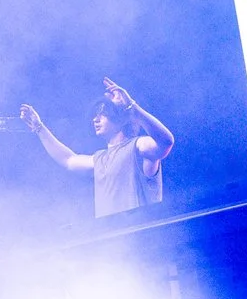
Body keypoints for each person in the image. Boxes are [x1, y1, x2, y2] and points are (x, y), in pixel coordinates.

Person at [21, 78, 176, 217]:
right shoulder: (100, 159)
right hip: (114, 235)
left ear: (120, 118)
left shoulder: (138, 146)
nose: (95, 119)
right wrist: (39, 128)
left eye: (103, 114)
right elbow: (68, 160)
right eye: (95, 115)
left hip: (142, 232)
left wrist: (133, 109)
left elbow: (165, 142)